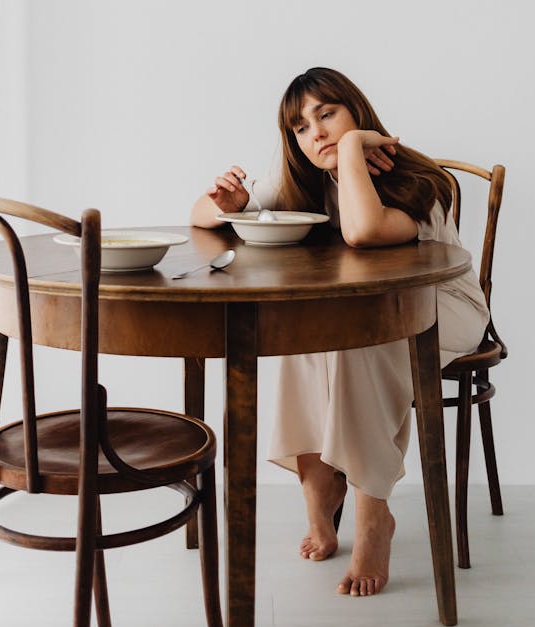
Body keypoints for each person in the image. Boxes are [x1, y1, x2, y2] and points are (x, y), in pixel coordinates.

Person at [191, 67, 489, 598]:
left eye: (328, 115)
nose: (317, 134)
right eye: (301, 129)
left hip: (444, 307)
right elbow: (197, 215)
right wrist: (228, 206)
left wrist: (352, 151)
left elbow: (364, 230)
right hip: (367, 312)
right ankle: (317, 484)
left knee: (363, 342)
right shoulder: (302, 182)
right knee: (296, 336)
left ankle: (373, 512)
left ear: (357, 111)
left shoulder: (422, 182)